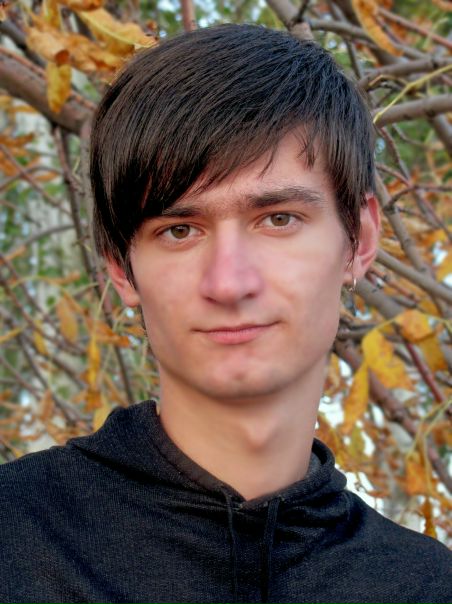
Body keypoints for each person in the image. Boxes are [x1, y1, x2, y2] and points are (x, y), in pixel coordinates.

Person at [0, 23, 450, 604]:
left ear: (359, 241)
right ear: (120, 266)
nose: (229, 283)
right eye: (179, 230)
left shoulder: (427, 587)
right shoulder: (15, 543)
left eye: (279, 219)